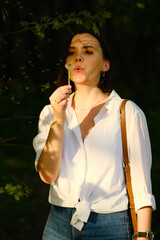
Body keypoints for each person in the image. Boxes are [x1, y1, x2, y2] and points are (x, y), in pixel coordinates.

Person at [33, 29, 156, 240]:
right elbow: (47, 175)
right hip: (58, 223)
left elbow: (142, 184)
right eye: (72, 52)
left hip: (110, 225)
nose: (78, 56)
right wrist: (59, 119)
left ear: (105, 65)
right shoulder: (50, 112)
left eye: (88, 51)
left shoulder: (127, 112)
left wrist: (143, 235)